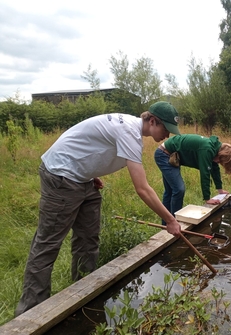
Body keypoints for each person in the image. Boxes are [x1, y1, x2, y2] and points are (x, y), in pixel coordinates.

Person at [15, 101, 183, 316]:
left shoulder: (130, 130)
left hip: (82, 178)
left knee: (88, 239)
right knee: (48, 243)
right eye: (166, 129)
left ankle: (84, 291)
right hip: (61, 176)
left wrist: (91, 172)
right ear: (152, 121)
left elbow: (91, 144)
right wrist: (170, 220)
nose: (167, 135)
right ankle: (31, 312)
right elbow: (142, 189)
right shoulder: (129, 131)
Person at [155, 134, 231, 224]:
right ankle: (175, 222)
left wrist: (220, 190)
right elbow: (205, 172)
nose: (218, 162)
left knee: (170, 191)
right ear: (220, 154)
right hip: (164, 155)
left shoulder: (214, 149)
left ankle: (166, 224)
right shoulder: (207, 149)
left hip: (171, 155)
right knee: (179, 189)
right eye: (220, 160)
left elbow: (215, 169)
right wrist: (207, 198)